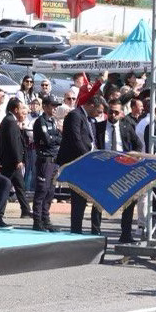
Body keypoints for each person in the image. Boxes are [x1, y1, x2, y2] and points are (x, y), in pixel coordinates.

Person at [58, 93, 106, 234]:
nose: (99, 114)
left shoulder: (89, 119)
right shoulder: (75, 115)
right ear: (91, 105)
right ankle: (76, 230)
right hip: (77, 162)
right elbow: (76, 140)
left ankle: (95, 230)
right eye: (98, 111)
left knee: (95, 196)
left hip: (88, 162)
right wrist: (88, 157)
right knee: (78, 198)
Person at [94, 100, 141, 242]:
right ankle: (95, 232)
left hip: (123, 168)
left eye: (116, 112)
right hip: (104, 168)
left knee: (129, 201)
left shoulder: (126, 127)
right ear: (107, 112)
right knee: (98, 201)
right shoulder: (99, 127)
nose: (113, 115)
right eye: (111, 112)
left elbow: (138, 145)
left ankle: (126, 234)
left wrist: (132, 158)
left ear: (121, 113)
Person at [0, 98, 32, 219]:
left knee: (19, 185)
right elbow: (13, 142)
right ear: (16, 109)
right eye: (21, 108)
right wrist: (18, 160)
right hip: (10, 161)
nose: (23, 111)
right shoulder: (10, 121)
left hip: (11, 161)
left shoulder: (10, 120)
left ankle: (26, 210)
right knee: (6, 186)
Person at [32, 95, 63, 232]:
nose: (55, 108)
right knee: (42, 190)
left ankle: (46, 219)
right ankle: (37, 221)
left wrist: (55, 138)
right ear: (44, 106)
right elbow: (47, 140)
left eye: (56, 106)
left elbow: (60, 138)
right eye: (52, 105)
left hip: (54, 160)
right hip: (45, 160)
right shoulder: (41, 121)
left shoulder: (53, 121)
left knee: (50, 191)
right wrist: (55, 138)